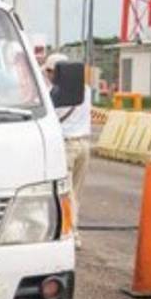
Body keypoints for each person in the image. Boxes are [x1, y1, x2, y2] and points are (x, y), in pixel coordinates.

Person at [43, 53, 92, 249]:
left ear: (56, 72)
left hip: (67, 147)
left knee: (67, 194)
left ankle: (72, 233)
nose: (47, 76)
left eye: (48, 72)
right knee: (75, 194)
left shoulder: (54, 95)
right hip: (85, 145)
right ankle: (73, 230)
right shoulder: (85, 90)